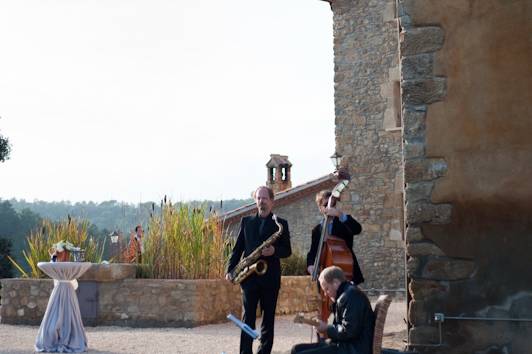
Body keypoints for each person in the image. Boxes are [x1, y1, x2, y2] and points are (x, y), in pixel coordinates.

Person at [225, 186, 292, 354]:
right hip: (249, 277)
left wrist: (274, 251)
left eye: (265, 198)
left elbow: (287, 250)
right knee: (247, 318)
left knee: (268, 319)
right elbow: (238, 248)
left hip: (270, 279)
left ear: (271, 201)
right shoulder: (246, 222)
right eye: (259, 198)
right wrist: (230, 269)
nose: (261, 201)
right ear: (256, 200)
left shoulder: (280, 224)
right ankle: (245, 352)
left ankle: (264, 351)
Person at [291, 266, 375, 354]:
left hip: (353, 349)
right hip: (344, 345)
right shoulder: (346, 294)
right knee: (296, 349)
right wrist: (324, 329)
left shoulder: (352, 295)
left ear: (335, 283)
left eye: (326, 289)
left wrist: (326, 328)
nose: (325, 294)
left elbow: (348, 332)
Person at [306, 190, 364, 285]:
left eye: (332, 206)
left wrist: (340, 215)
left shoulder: (343, 221)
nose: (329, 208)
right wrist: (310, 265)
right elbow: (313, 251)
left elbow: (357, 229)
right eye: (326, 205)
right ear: (320, 208)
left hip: (345, 272)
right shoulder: (316, 230)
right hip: (325, 275)